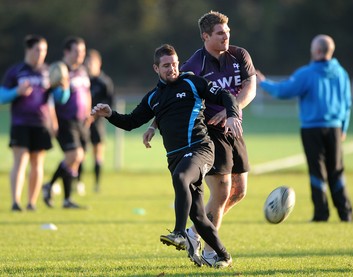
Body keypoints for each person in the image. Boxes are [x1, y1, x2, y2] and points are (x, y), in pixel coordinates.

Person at [91, 44, 241, 268]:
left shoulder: (192, 82)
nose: (172, 69)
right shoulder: (153, 97)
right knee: (198, 216)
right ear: (156, 68)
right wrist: (110, 114)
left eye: (175, 64)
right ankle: (223, 255)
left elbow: (226, 96)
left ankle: (179, 233)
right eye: (166, 65)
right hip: (176, 158)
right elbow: (131, 122)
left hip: (201, 149)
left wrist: (231, 115)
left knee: (181, 177)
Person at [143, 11, 257, 266]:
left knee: (239, 192)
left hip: (233, 126)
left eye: (227, 32)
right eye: (220, 33)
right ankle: (209, 251)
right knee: (222, 190)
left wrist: (232, 112)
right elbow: (171, 99)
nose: (226, 36)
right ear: (206, 36)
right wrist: (153, 124)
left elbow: (251, 87)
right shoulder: (194, 66)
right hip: (208, 132)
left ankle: (196, 232)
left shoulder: (240, 55)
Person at [256, 34, 353, 222]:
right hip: (335, 128)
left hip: (312, 129)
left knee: (317, 171)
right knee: (337, 171)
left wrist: (263, 83)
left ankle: (321, 214)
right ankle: (345, 213)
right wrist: (344, 127)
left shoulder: (307, 73)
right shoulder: (341, 73)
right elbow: (347, 103)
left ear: (316, 51)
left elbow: (283, 91)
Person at [0, 35, 57, 211]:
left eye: (44, 50)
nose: (41, 54)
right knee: (20, 161)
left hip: (40, 123)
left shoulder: (49, 71)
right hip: (20, 123)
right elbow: (2, 97)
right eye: (37, 50)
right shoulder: (16, 71)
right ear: (28, 50)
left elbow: (57, 99)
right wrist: (17, 91)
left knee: (37, 163)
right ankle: (16, 202)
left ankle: (31, 202)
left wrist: (63, 87)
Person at [42, 36, 92, 209]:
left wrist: (89, 114)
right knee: (74, 155)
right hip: (65, 121)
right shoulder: (58, 70)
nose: (80, 55)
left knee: (77, 159)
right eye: (77, 52)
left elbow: (86, 93)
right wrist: (53, 121)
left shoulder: (82, 71)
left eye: (83, 52)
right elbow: (48, 99)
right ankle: (49, 186)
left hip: (81, 121)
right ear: (67, 52)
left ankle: (66, 199)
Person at [82, 49, 114, 193]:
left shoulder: (104, 82)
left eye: (92, 62)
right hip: (82, 122)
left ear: (98, 63)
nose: (89, 65)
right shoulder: (82, 80)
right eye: (87, 62)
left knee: (97, 152)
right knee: (80, 153)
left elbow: (110, 103)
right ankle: (79, 183)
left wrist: (95, 115)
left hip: (97, 122)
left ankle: (96, 184)